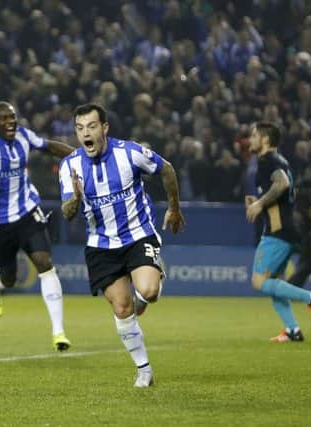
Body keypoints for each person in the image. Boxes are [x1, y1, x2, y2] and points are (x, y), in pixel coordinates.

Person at [59, 103, 185, 388]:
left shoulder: (130, 153)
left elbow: (166, 169)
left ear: (104, 128)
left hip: (138, 235)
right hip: (100, 245)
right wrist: (74, 201)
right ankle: (144, 369)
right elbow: (67, 213)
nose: (85, 134)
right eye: (79, 129)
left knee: (149, 292)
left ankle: (146, 284)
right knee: (122, 307)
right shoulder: (71, 166)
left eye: (91, 126)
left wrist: (174, 208)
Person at [0, 101, 75, 351]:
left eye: (13, 117)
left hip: (26, 211)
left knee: (44, 263)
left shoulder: (23, 136)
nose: (11, 122)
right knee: (8, 278)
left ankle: (59, 332)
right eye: (5, 119)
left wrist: (79, 156)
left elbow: (49, 146)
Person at [245, 122, 311, 343]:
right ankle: (293, 330)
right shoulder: (281, 161)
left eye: (254, 136)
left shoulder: (267, 160)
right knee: (274, 285)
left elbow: (282, 184)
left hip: (277, 232)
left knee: (259, 281)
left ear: (265, 140)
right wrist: (259, 202)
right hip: (286, 228)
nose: (250, 140)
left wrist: (260, 203)